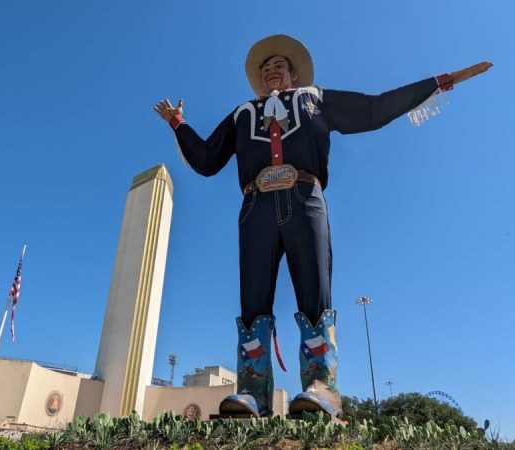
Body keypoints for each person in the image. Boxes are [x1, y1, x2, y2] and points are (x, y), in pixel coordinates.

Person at [154, 34, 491, 419]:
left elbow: (373, 109)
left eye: (279, 65)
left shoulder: (315, 98)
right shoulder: (242, 114)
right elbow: (207, 159)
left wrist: (438, 83)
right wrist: (178, 123)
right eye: (265, 69)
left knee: (314, 290)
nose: (271, 72)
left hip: (304, 196)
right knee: (253, 298)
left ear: (294, 73)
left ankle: (321, 387)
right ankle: (252, 392)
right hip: (256, 204)